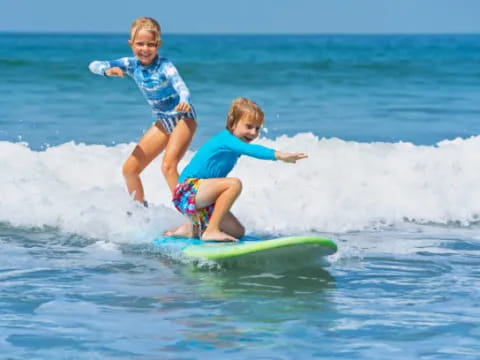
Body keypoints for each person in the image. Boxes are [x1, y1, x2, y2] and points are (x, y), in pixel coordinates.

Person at [88, 17, 196, 206]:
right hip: (164, 122)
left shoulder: (165, 65)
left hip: (182, 118)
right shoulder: (130, 64)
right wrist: (107, 71)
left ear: (158, 45)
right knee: (130, 169)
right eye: (139, 44)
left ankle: (195, 215)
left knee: (168, 167)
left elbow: (181, 86)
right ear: (131, 44)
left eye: (150, 44)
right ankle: (141, 214)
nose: (144, 49)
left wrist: (184, 101)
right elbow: (94, 65)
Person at [168, 97, 308, 242]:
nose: (253, 132)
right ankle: (211, 231)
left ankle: (190, 229)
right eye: (249, 127)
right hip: (187, 190)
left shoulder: (235, 143)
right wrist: (280, 155)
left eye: (257, 128)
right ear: (233, 123)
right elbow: (251, 149)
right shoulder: (226, 139)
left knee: (238, 231)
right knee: (234, 184)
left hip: (202, 196)